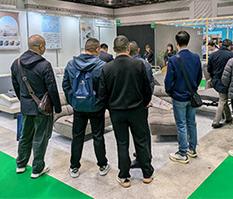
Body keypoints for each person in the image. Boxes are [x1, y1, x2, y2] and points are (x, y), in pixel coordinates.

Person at [97, 35, 154, 187]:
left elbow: (102, 94)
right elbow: (147, 89)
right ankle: (147, 174)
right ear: (128, 48)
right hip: (137, 110)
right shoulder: (139, 65)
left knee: (122, 143)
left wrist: (111, 107)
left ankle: (124, 176)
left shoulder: (106, 68)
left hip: (117, 112)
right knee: (141, 141)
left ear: (114, 49)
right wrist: (144, 103)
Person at [10, 34, 62, 179]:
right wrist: (57, 108)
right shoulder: (45, 65)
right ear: (41, 46)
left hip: (26, 107)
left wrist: (24, 100)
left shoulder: (16, 63)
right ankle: (37, 169)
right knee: (40, 138)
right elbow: (52, 89)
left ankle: (21, 165)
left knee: (25, 136)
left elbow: (16, 86)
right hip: (42, 109)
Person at [62, 38, 110, 179]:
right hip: (96, 108)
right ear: (97, 50)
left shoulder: (71, 64)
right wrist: (101, 102)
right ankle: (102, 165)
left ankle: (74, 167)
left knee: (77, 136)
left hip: (78, 107)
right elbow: (106, 89)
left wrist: (73, 101)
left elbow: (65, 85)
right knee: (98, 136)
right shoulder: (102, 66)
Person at [164, 30, 202, 164]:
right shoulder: (196, 57)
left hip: (179, 97)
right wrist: (194, 89)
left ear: (176, 42)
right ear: (188, 41)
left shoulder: (173, 59)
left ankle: (182, 153)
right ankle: (192, 149)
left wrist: (170, 92)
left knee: (181, 125)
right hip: (191, 96)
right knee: (191, 122)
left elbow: (168, 80)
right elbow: (199, 77)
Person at [208, 38, 233, 128]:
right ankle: (215, 122)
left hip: (216, 80)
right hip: (227, 81)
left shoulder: (213, 55)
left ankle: (228, 117)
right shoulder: (232, 55)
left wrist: (213, 77)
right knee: (222, 100)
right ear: (230, 46)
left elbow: (209, 68)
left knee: (223, 99)